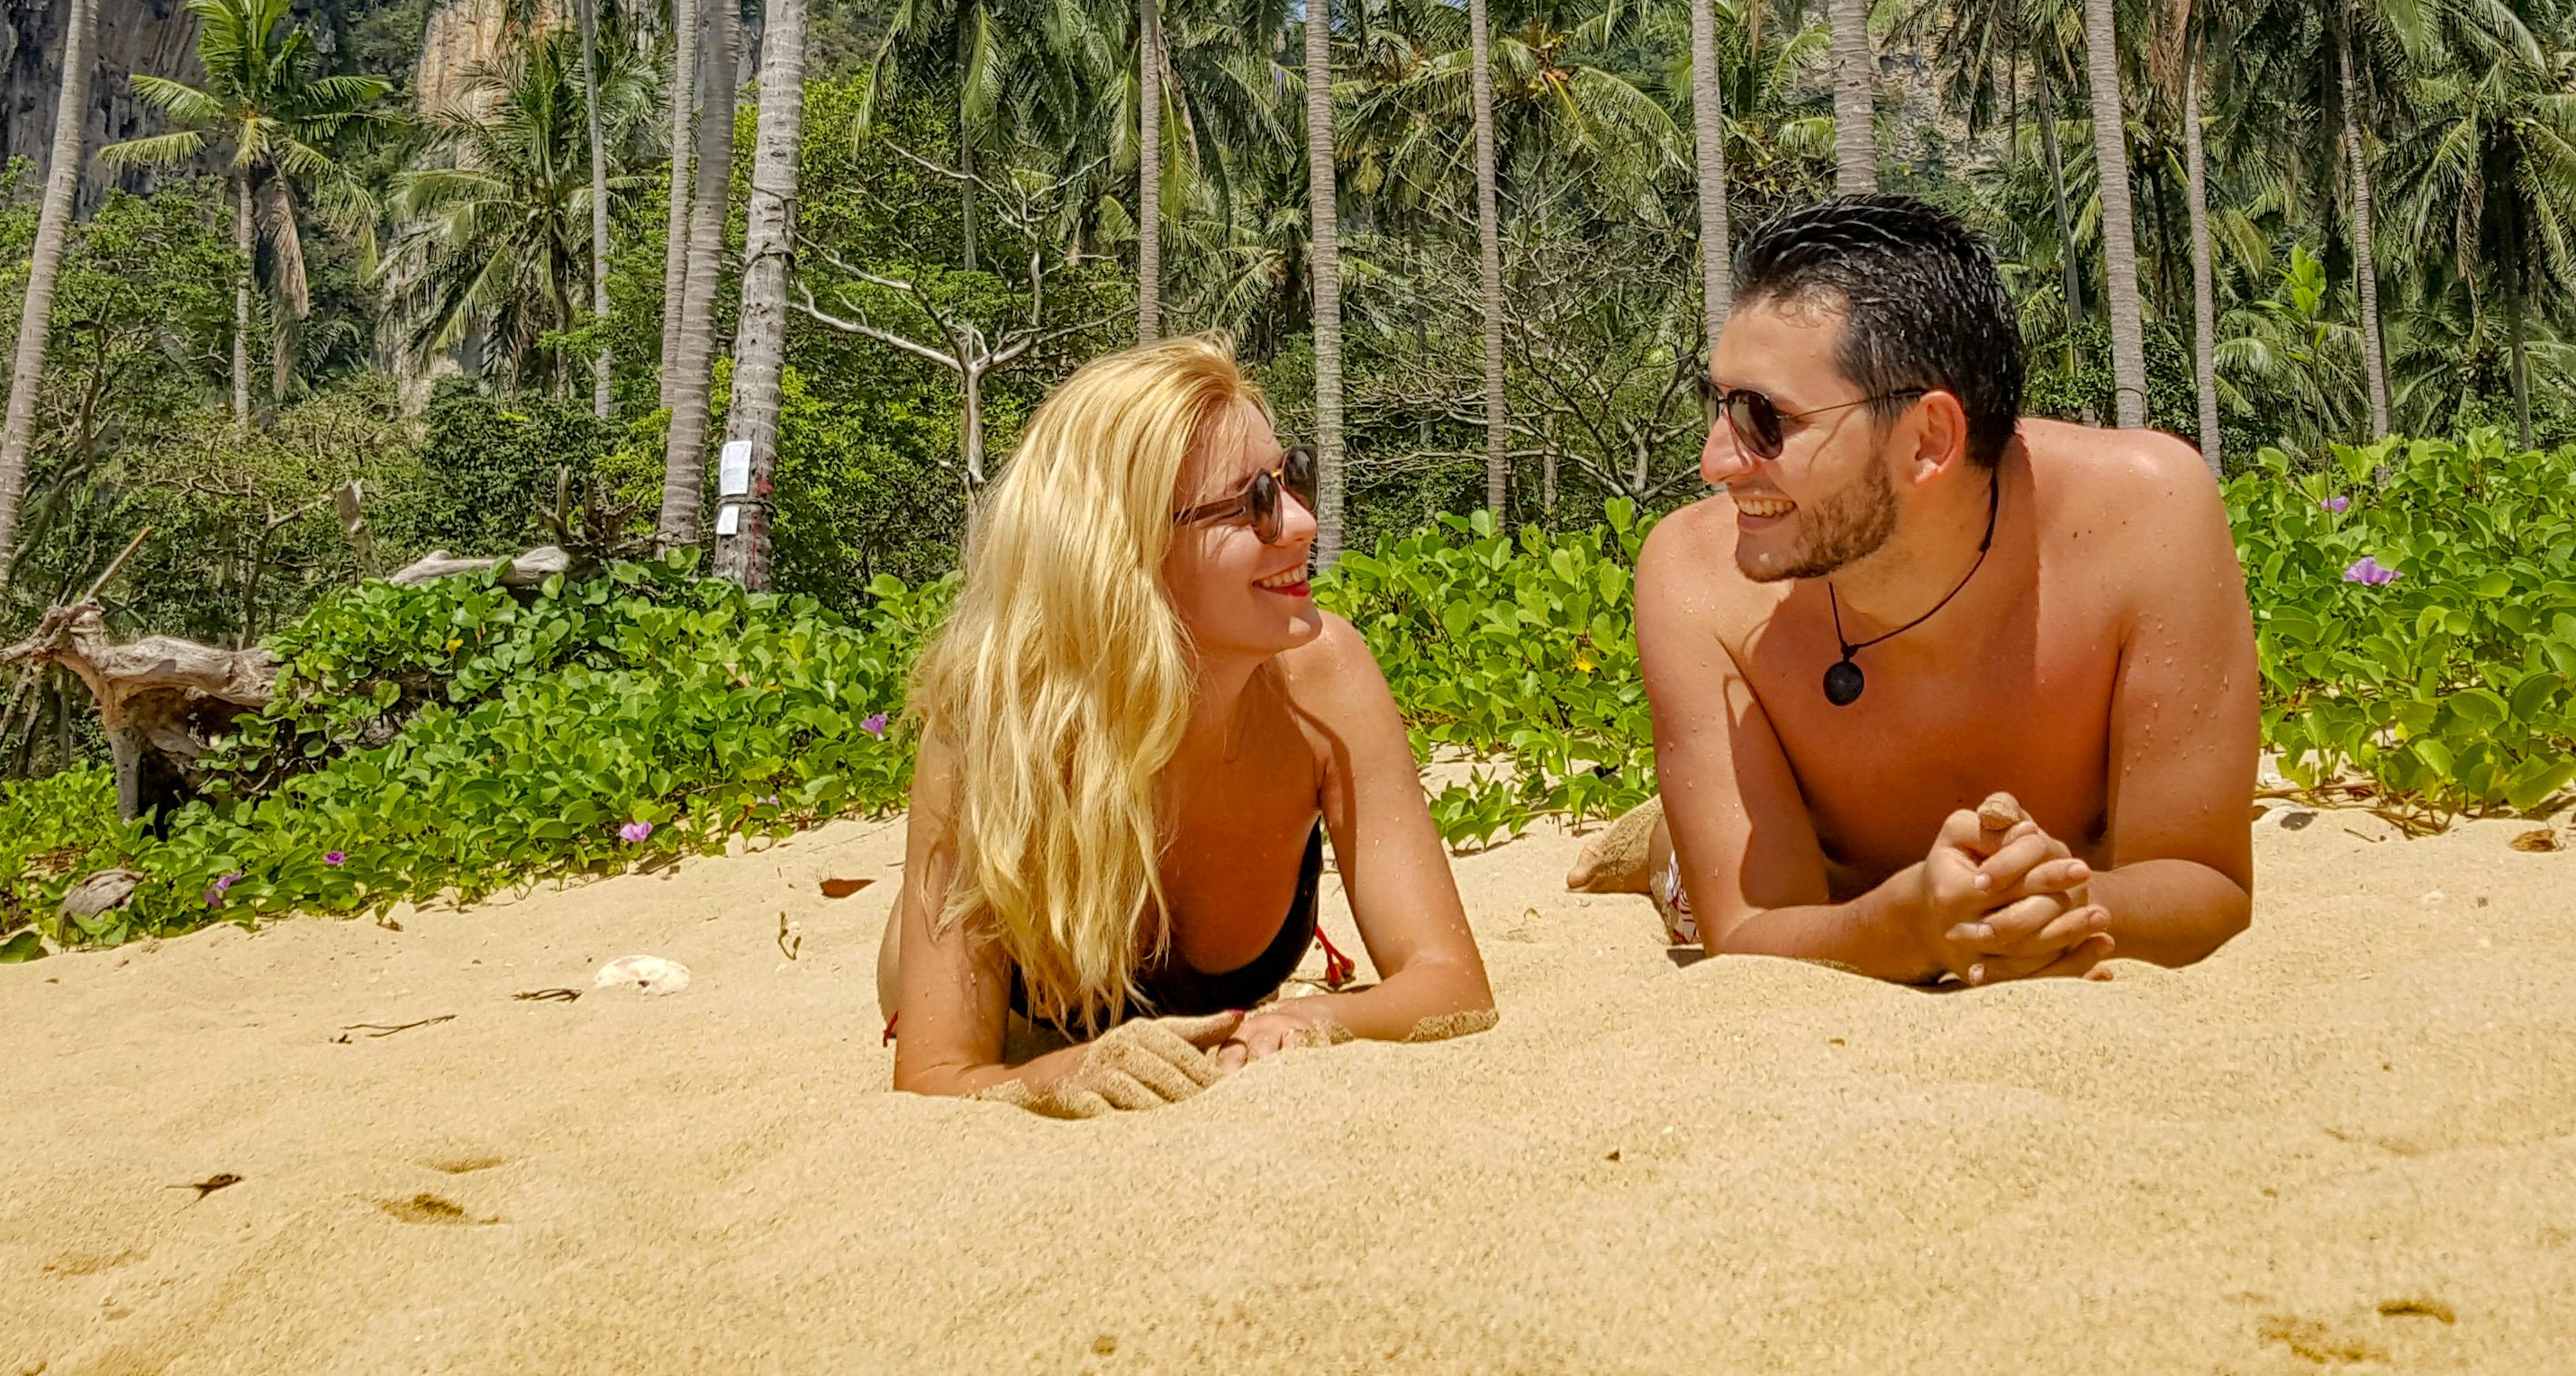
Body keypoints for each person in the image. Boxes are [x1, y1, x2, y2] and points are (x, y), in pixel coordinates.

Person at [1615, 195, 2259, 984]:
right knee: (1681, 875)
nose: (1716, 461)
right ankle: (1655, 839)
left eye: (1764, 418)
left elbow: (2208, 882)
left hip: (2023, 883)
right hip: (1841, 893)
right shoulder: (1696, 575)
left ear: (1929, 440)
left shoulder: (2147, 512)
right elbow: (1748, 930)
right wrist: (1906, 928)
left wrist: (2043, 905)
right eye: (1718, 405)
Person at [880, 339, 1494, 1110]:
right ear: (1123, 551)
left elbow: (1452, 982)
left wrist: (1313, 1019)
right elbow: (939, 1077)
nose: (1301, 523)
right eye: (1255, 505)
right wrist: (1070, 1071)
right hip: (991, 1003)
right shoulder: (992, 725)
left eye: (1292, 478)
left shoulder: (1326, 681)